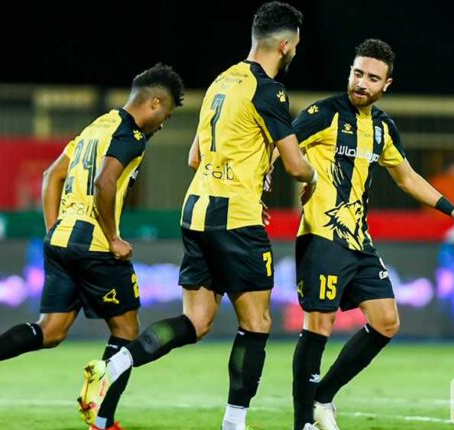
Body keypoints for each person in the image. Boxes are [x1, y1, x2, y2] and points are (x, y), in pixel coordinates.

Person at [78, 3, 318, 430]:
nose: (295, 52)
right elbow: (296, 165)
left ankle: (116, 364)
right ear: (285, 45)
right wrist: (313, 177)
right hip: (235, 216)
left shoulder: (221, 82)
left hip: (196, 210)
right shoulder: (269, 90)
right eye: (295, 46)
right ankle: (234, 421)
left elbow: (195, 158)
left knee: (196, 321)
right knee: (257, 322)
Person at [0, 64, 185, 430]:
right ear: (154, 103)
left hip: (60, 240)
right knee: (126, 330)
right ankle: (102, 421)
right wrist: (113, 237)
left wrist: (54, 230)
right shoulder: (131, 134)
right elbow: (104, 182)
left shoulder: (96, 127)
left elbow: (51, 175)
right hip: (94, 244)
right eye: (166, 114)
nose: (163, 123)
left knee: (51, 330)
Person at [289, 39, 454, 430]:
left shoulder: (382, 127)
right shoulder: (322, 114)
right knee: (319, 325)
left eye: (372, 78)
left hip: (359, 241)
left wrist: (453, 211)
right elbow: (281, 148)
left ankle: (322, 398)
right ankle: (302, 423)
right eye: (357, 73)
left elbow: (406, 177)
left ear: (386, 84)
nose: (361, 83)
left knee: (386, 321)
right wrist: (291, 178)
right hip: (322, 234)